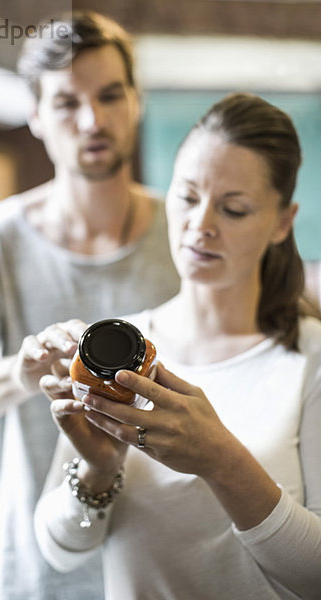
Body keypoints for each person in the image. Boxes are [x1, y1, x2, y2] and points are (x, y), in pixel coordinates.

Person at [0, 10, 179, 600]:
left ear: (136, 102)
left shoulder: (189, 232)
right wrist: (22, 368)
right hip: (42, 573)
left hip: (169, 566)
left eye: (110, 95)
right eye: (67, 103)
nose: (93, 119)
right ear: (36, 116)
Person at [34, 93, 321, 600]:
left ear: (282, 221)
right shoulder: (119, 348)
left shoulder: (310, 358)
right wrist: (99, 470)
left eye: (233, 209)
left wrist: (223, 462)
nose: (201, 223)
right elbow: (60, 551)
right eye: (187, 197)